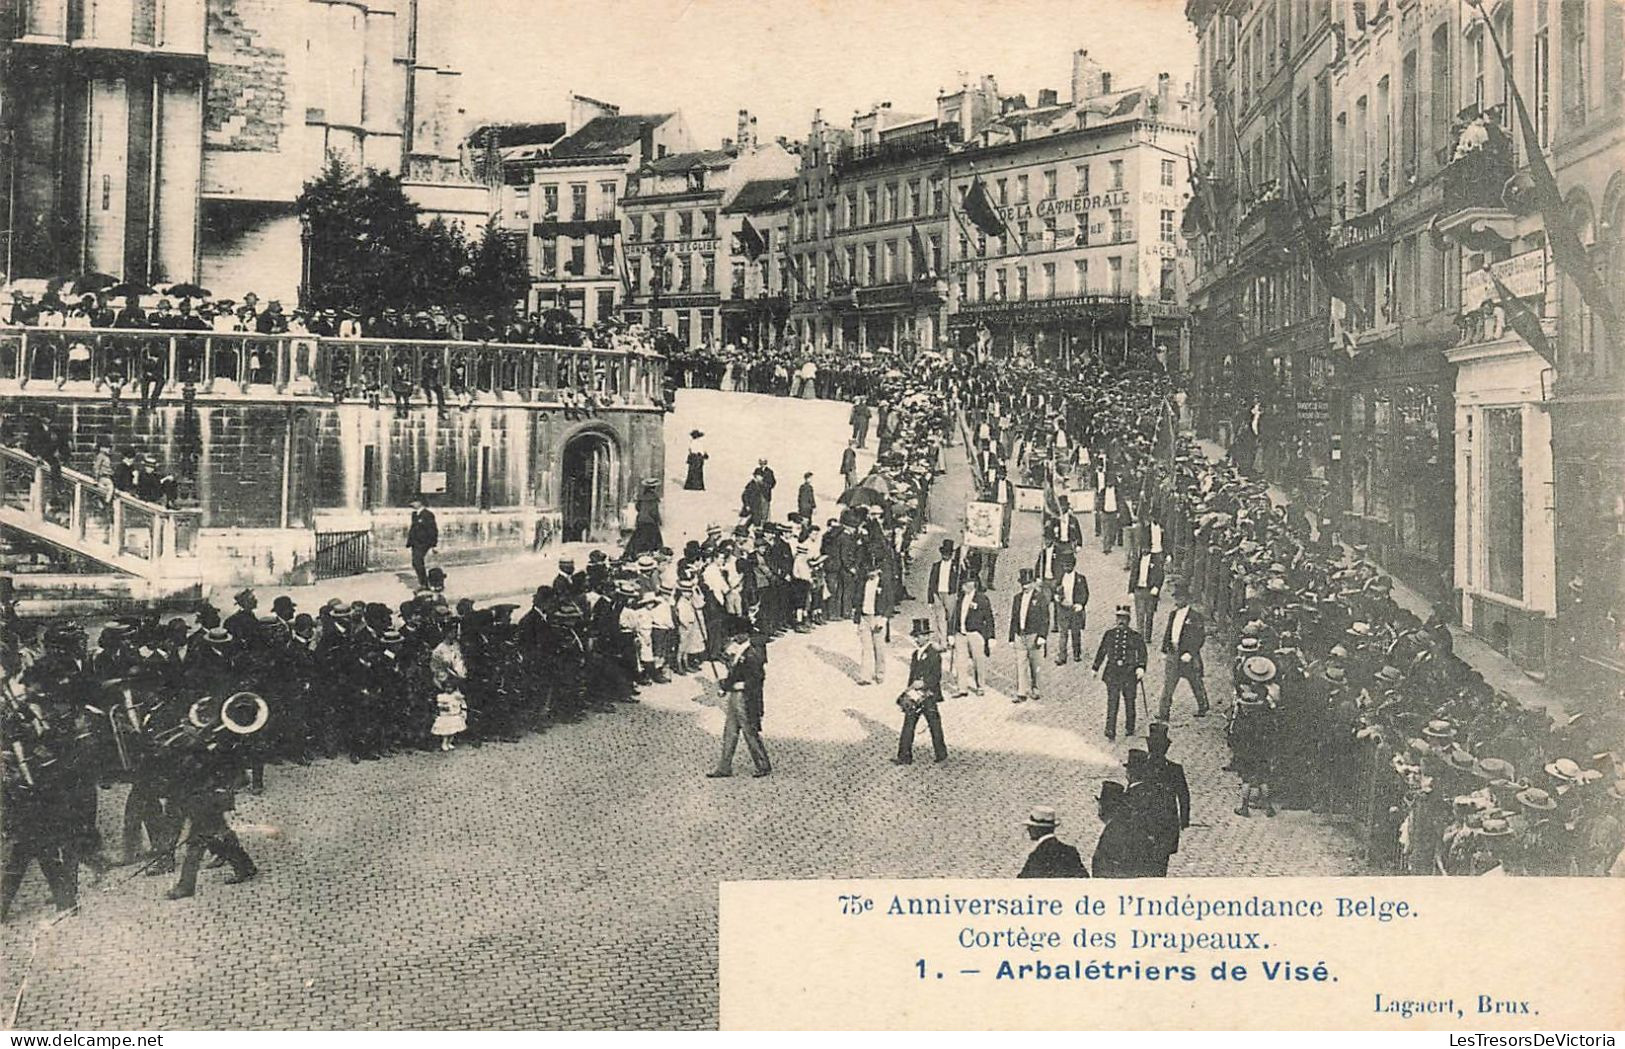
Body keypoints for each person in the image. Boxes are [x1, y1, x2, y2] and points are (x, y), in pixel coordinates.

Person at [707, 628, 771, 779]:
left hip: (746, 697)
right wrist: (726, 684)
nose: (735, 636)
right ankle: (724, 767)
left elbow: (757, 678)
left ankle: (763, 764)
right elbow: (733, 673)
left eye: (738, 634)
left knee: (749, 731)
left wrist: (738, 686)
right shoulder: (738, 650)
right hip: (735, 696)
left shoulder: (752, 653)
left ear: (746, 635)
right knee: (730, 731)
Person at [893, 618, 947, 765]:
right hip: (916, 696)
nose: (917, 639)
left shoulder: (934, 654)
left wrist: (923, 683)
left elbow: (936, 676)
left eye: (920, 636)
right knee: (908, 724)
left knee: (934, 724)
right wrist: (909, 691)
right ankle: (904, 755)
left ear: (927, 636)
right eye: (916, 636)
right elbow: (912, 676)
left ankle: (941, 753)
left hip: (929, 695)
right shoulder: (915, 654)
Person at [1092, 604, 1146, 740]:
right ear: (1116, 619)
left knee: (1129, 701)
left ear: (1129, 620)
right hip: (1113, 673)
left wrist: (1141, 667)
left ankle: (1130, 726)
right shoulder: (1109, 634)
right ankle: (1110, 729)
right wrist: (1095, 667)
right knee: (1112, 701)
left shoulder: (1135, 636)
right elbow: (1102, 651)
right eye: (1119, 618)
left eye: (1124, 618)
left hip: (1129, 673)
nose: (1121, 621)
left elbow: (1142, 653)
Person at [1157, 584, 1211, 721]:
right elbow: (1168, 633)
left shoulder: (1195, 616)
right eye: (1176, 598)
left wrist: (1191, 653)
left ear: (1187, 599)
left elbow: (1200, 637)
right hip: (1173, 653)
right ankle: (1164, 712)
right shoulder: (1173, 614)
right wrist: (1165, 649)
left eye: (1180, 598)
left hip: (1187, 656)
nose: (1178, 601)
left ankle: (1203, 706)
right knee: (1169, 684)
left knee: (1195, 681)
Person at [1125, 749, 1178, 876]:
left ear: (1130, 774)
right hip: (1161, 850)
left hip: (1140, 853)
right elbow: (1172, 821)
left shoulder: (1132, 795)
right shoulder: (1163, 791)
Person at [1091, 781, 1157, 878]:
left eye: (1100, 805)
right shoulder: (1131, 823)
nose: (1099, 810)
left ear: (1106, 806)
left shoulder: (1114, 829)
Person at [947, 574, 995, 697]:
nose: (961, 587)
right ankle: (962, 688)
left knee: (978, 661)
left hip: (975, 634)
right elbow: (954, 616)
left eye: (963, 584)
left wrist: (991, 637)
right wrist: (950, 634)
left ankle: (980, 686)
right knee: (960, 662)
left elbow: (989, 618)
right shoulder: (960, 598)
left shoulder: (982, 599)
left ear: (971, 584)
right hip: (960, 634)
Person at [1008, 568, 1049, 703]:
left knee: (1035, 664)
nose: (1025, 586)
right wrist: (1011, 637)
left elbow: (1045, 618)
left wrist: (1042, 636)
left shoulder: (1040, 597)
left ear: (1033, 583)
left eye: (1027, 583)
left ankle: (1036, 688)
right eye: (1023, 584)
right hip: (1020, 634)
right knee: (1021, 663)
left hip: (1034, 635)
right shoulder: (1017, 598)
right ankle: (1022, 692)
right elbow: (1014, 617)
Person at [1017, 805, 1088, 878]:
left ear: (1038, 829)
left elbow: (1024, 882)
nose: (1028, 830)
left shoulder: (1038, 855)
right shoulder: (1070, 851)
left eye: (1031, 826)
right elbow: (1083, 879)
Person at [853, 565, 893, 686]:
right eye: (868, 572)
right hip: (865, 617)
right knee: (866, 648)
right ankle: (865, 676)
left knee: (879, 648)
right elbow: (858, 600)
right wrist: (858, 619)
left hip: (878, 617)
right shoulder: (863, 583)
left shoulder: (885, 584)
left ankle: (880, 673)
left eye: (873, 572)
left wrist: (884, 619)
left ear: (878, 571)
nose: (870, 574)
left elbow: (890, 603)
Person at [1052, 561, 1089, 665]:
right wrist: (1057, 597)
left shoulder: (1080, 579)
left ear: (1073, 566)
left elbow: (1085, 593)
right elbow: (1054, 590)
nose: (1066, 568)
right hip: (1063, 609)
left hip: (1074, 609)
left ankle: (1076, 654)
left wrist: (1080, 604)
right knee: (1063, 634)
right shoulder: (1060, 578)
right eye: (1064, 566)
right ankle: (1062, 656)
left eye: (1068, 566)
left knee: (1075, 633)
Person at [624, 478, 663, 558]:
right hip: (650, 521)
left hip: (641, 520)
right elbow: (654, 511)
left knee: (638, 537)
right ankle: (650, 554)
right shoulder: (654, 498)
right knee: (653, 539)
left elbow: (637, 508)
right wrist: (659, 520)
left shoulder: (642, 496)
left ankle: (635, 553)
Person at [406, 498, 439, 589]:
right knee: (416, 562)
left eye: (413, 502)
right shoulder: (414, 514)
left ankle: (424, 583)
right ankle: (423, 582)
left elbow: (433, 530)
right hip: (415, 543)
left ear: (419, 503)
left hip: (424, 543)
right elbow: (413, 529)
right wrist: (410, 542)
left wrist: (433, 545)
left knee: (417, 561)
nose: (412, 504)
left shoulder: (428, 514)